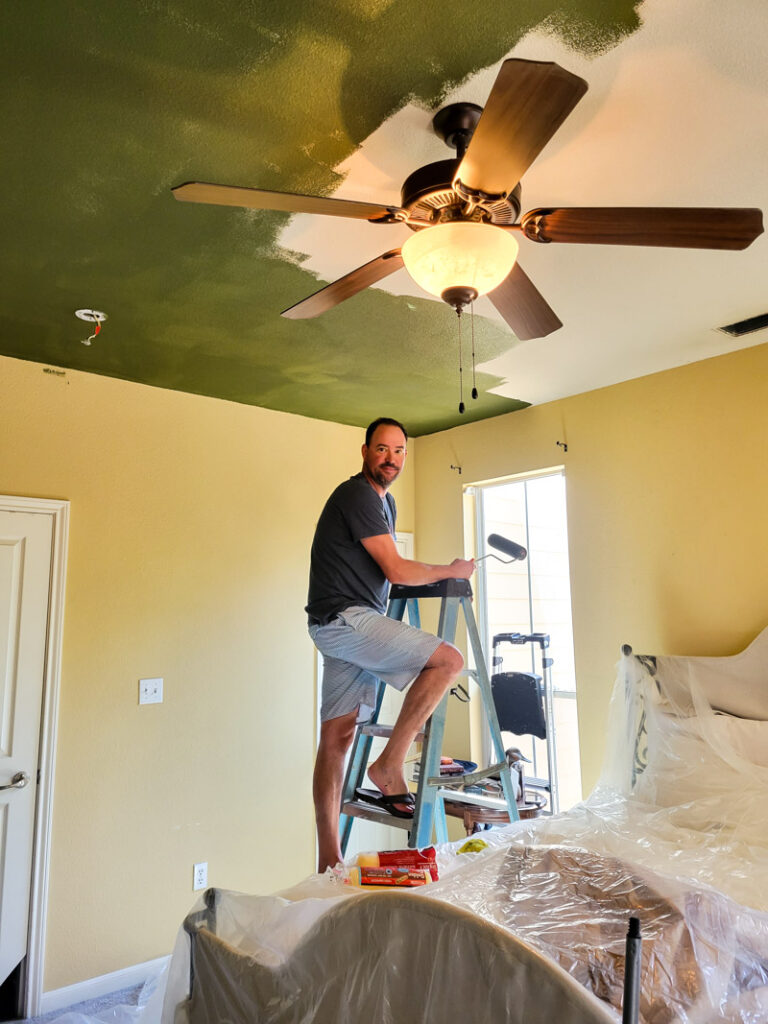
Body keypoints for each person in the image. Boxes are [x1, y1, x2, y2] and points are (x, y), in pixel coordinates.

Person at [306, 416, 475, 872]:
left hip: (337, 624)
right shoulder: (357, 494)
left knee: (336, 738)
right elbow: (397, 571)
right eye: (382, 449)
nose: (391, 459)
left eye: (399, 451)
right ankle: (390, 764)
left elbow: (384, 571)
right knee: (448, 661)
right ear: (365, 451)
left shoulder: (386, 503)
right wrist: (450, 571)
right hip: (347, 619)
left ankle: (328, 860)